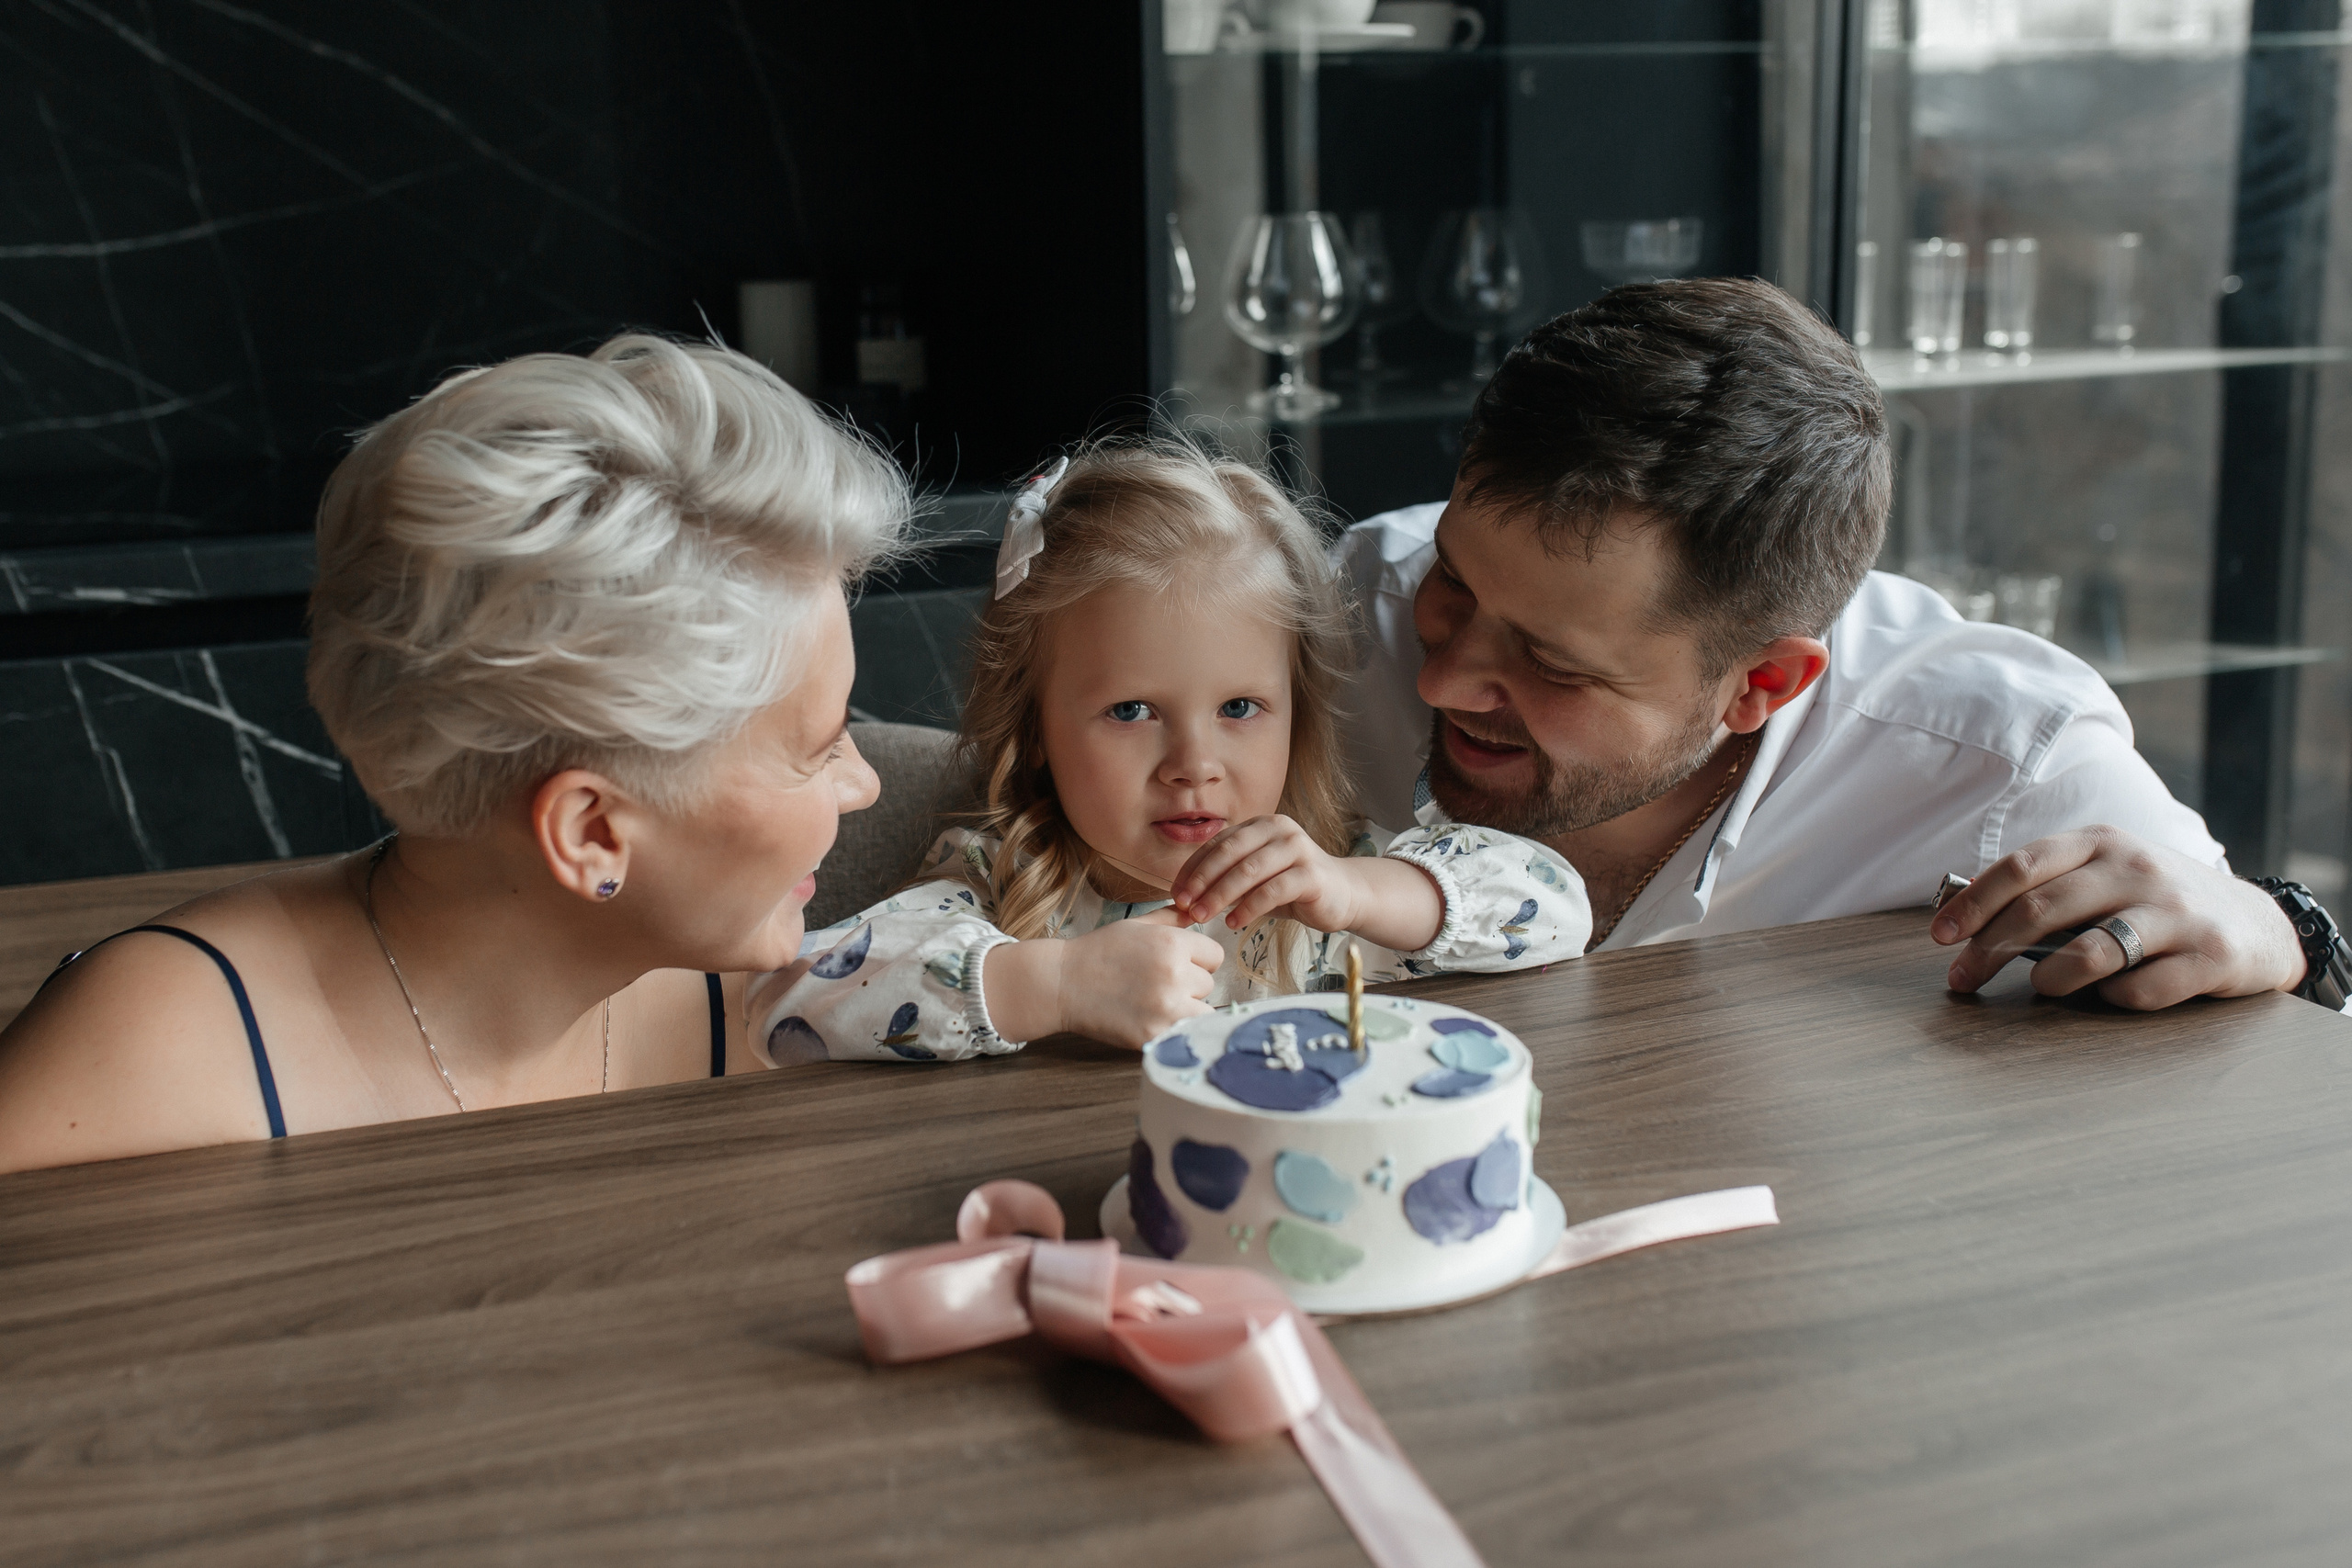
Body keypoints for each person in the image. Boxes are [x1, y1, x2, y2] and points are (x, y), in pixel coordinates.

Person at [0, 335, 907, 1172]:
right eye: (818, 750)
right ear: (590, 830)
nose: (864, 783)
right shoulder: (149, 1062)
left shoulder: (767, 1020)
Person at [1335, 277, 2349, 1013]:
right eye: (1454, 582)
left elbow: (2239, 943)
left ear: (1761, 683)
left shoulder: (1995, 758)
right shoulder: (1331, 619)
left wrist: (2282, 932)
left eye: (1552, 666)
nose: (1440, 674)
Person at [749, 439, 1590, 1062]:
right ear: (1036, 728)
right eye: (1131, 710)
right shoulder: (1003, 882)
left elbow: (1559, 909)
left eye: (1239, 707)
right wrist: (1052, 984)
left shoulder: (1327, 891)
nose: (1194, 761)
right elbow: (789, 1003)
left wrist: (1365, 889)